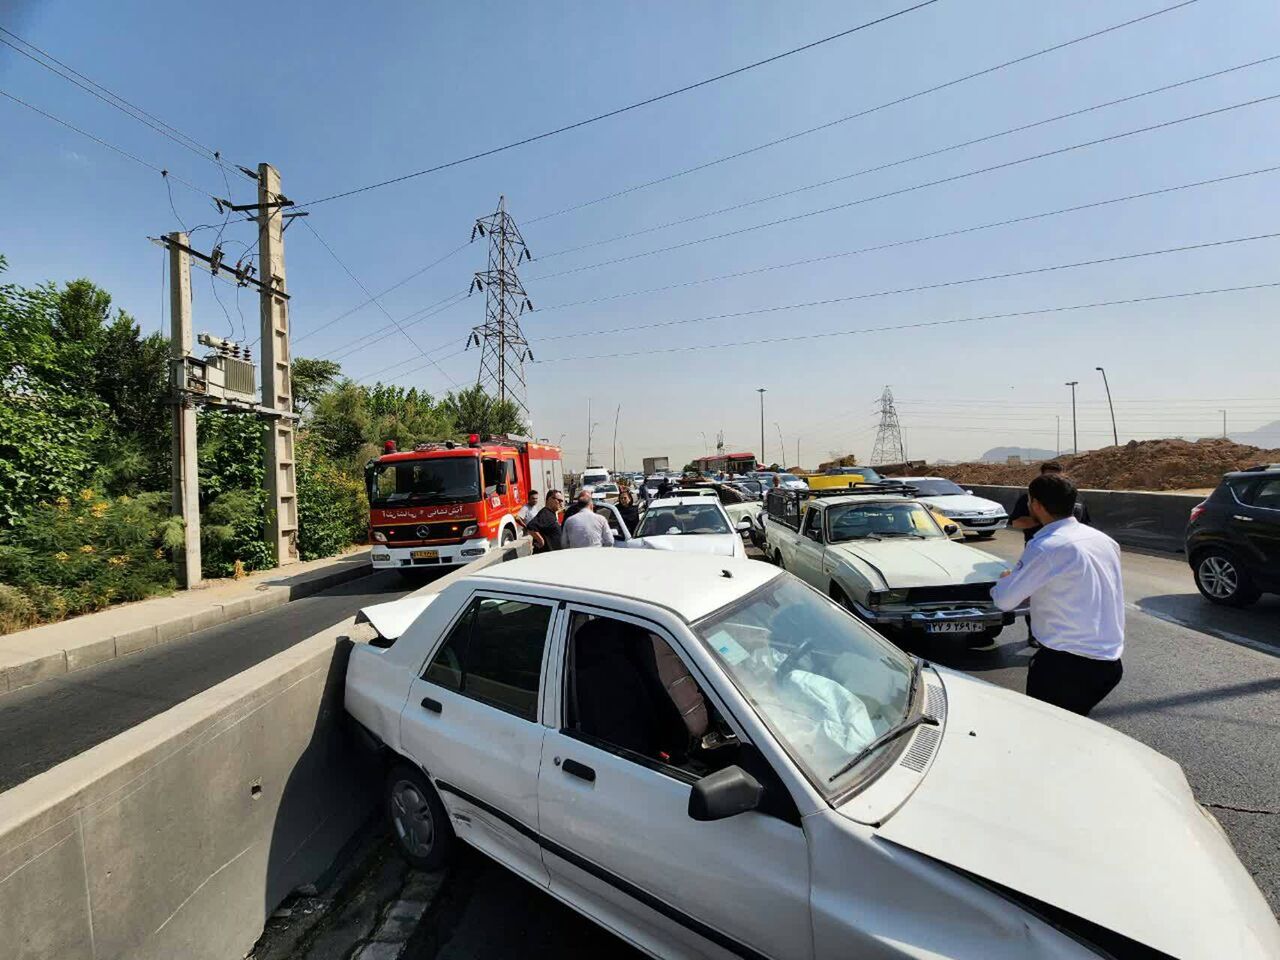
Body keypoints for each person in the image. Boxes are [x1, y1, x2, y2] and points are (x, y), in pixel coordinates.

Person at [991, 473, 1123, 716]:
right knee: (1073, 729)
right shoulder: (1103, 540)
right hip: (1108, 662)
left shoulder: (1046, 546)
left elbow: (1004, 601)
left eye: (1030, 501)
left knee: (1046, 736)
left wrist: (1007, 580)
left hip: (1067, 666)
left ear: (1037, 505)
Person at [1010, 462, 1091, 543]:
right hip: (1038, 546)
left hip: (1070, 546)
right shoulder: (1030, 497)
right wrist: (1043, 519)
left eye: (1057, 478)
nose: (1053, 482)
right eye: (1048, 478)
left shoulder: (1075, 498)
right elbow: (1015, 523)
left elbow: (1084, 523)